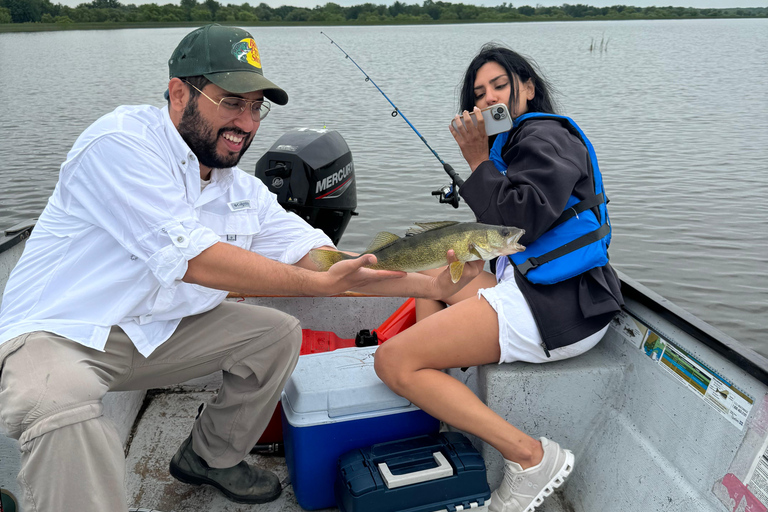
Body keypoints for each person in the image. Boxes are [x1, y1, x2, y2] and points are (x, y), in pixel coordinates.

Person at [0, 24, 483, 512]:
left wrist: (430, 281)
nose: (247, 123)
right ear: (178, 93)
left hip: (159, 329)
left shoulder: (241, 189)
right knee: (60, 405)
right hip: (61, 333)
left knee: (275, 336)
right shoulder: (120, 144)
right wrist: (317, 282)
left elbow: (322, 259)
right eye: (232, 101)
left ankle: (210, 455)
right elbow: (194, 260)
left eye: (256, 107)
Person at [374, 43, 624, 512]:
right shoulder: (512, 145)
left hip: (561, 308)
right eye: (479, 93)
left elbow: (521, 218)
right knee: (437, 268)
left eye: (500, 86)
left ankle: (531, 458)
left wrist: (475, 160)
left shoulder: (545, 137)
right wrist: (485, 160)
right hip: (541, 291)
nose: (489, 99)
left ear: (527, 87)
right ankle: (438, 386)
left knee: (391, 361)